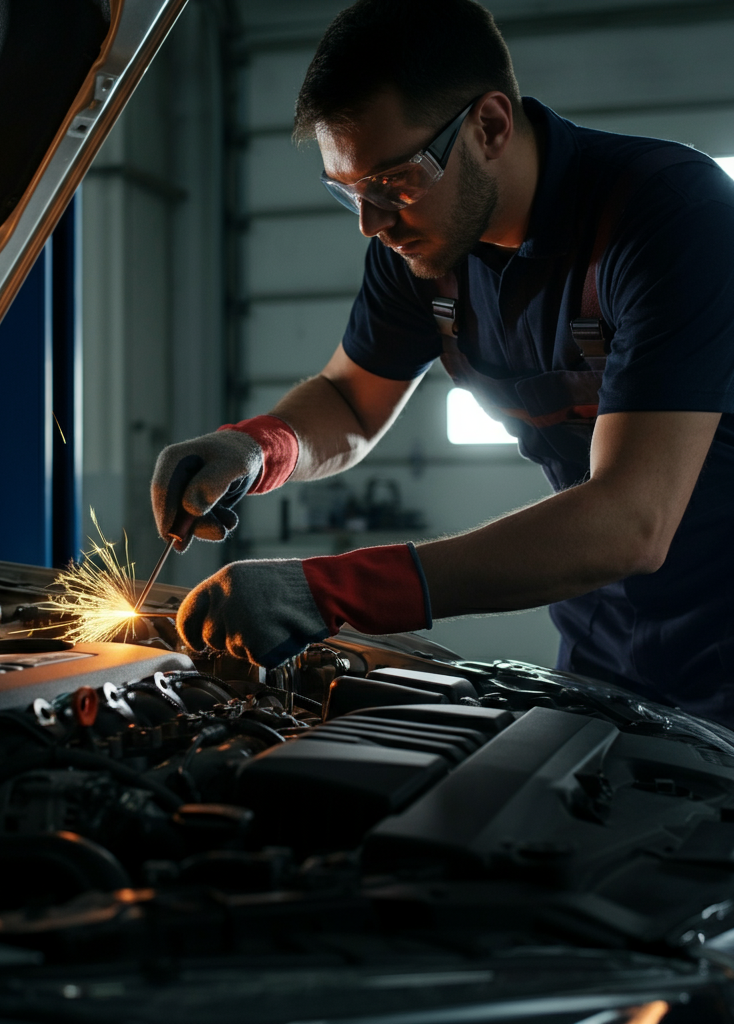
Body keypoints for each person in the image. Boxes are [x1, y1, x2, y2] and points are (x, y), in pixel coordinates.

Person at [151, 0, 734, 723]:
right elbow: (349, 403)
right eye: (349, 193)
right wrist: (252, 446)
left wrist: (332, 591)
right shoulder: (423, 251)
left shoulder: (666, 215)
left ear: (489, 125)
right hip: (603, 656)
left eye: (394, 182)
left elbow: (632, 520)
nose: (373, 223)